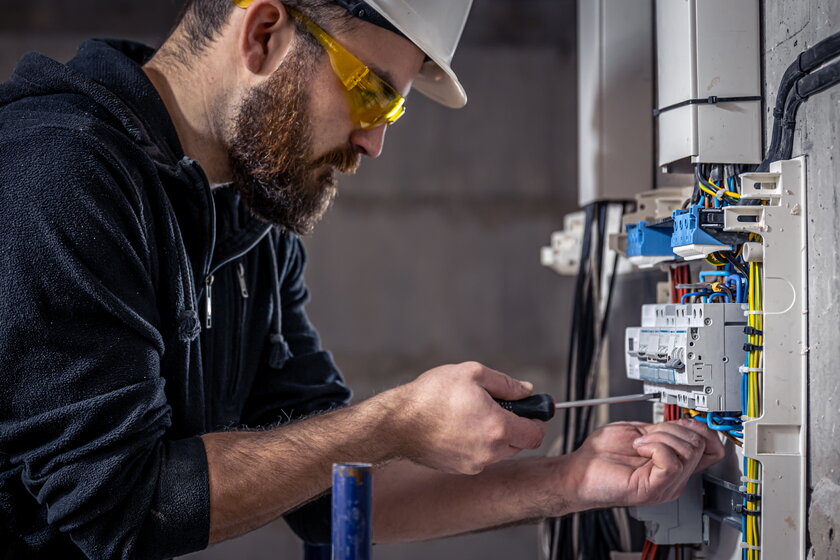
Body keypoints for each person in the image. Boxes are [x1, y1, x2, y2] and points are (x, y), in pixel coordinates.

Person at [0, 0, 725, 558]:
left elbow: (327, 488)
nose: (375, 141)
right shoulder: (61, 176)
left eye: (394, 109)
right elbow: (122, 508)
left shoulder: (250, 221)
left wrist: (568, 481)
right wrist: (395, 421)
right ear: (263, 34)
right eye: (372, 93)